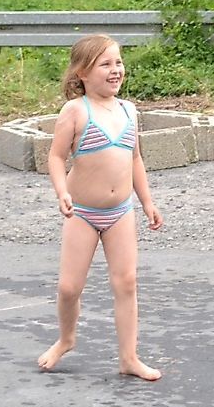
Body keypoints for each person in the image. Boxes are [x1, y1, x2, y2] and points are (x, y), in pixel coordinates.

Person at [37, 34, 163, 379]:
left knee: (126, 283)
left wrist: (147, 202)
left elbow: (135, 159)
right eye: (105, 64)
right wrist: (61, 192)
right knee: (69, 288)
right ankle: (66, 339)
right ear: (82, 73)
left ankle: (128, 358)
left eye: (118, 62)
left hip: (120, 211)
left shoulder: (128, 110)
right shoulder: (75, 111)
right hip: (82, 213)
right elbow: (56, 156)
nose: (115, 70)